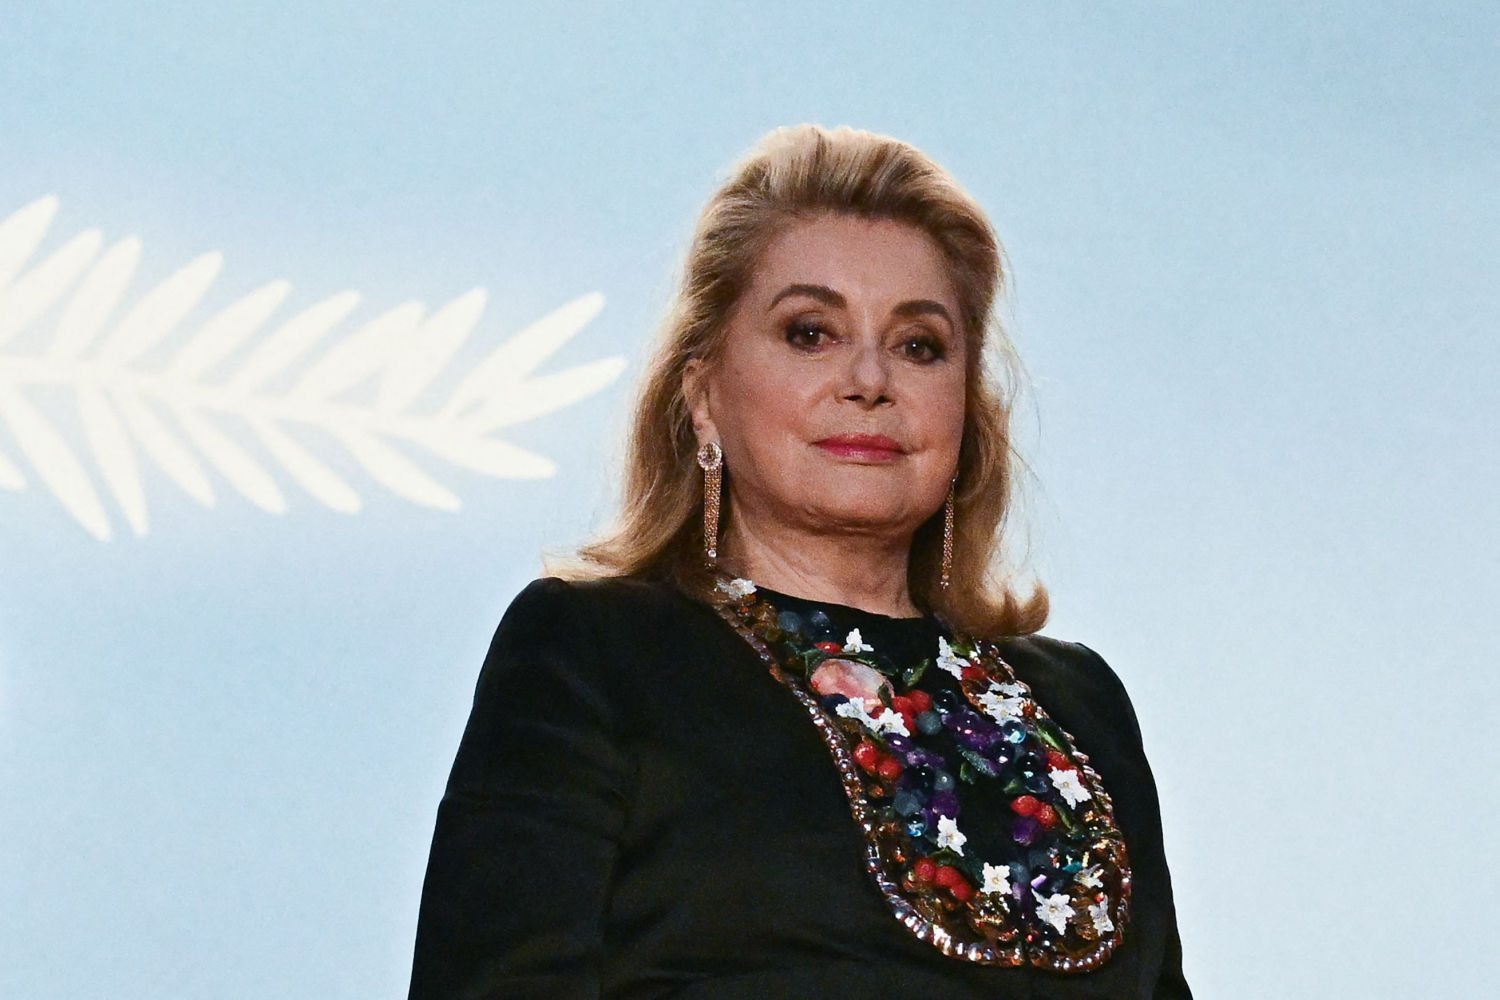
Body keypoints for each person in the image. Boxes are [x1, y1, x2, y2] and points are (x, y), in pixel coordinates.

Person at [409, 124, 1191, 999]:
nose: (868, 378)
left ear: (966, 409)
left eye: (919, 345)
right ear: (703, 395)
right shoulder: (594, 651)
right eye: (810, 332)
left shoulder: (1081, 703)